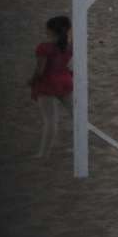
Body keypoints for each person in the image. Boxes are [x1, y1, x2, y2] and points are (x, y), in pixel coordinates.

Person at [30, 14, 72, 159]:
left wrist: (32, 80)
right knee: (76, 115)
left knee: (50, 120)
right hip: (65, 81)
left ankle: (43, 153)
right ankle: (78, 146)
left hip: (48, 83)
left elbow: (40, 70)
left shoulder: (44, 47)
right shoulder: (69, 46)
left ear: (51, 30)